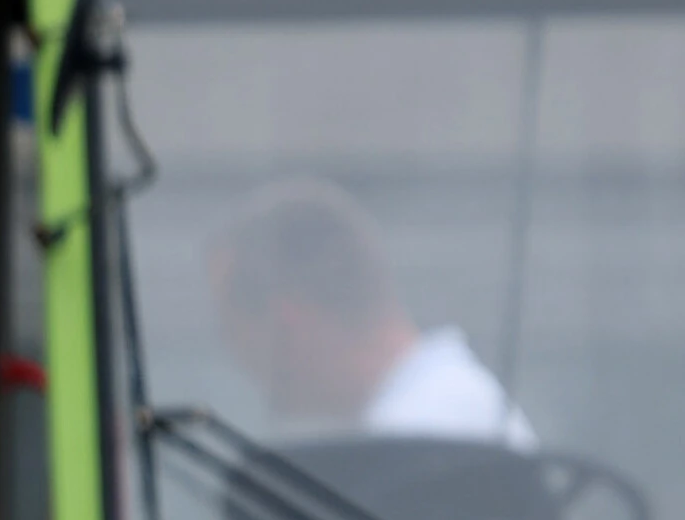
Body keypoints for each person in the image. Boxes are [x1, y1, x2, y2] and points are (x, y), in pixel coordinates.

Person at [206, 182, 532, 441]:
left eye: (233, 333)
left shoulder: (426, 438)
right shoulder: (443, 413)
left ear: (287, 325)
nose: (244, 368)